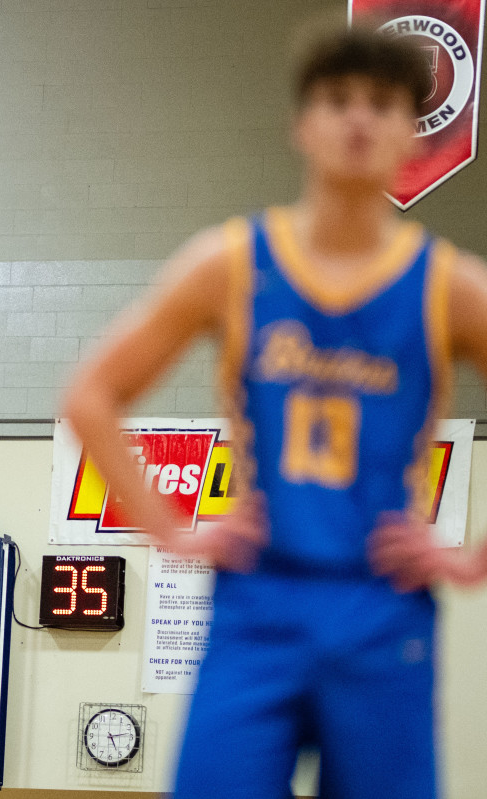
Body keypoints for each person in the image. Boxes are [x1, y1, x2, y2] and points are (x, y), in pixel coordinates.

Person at [61, 21, 487, 799]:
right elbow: (88, 395)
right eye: (338, 99)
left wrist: (471, 556)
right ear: (302, 124)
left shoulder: (451, 285)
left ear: (415, 133)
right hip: (258, 600)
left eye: (384, 102)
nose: (359, 118)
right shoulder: (228, 262)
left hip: (382, 606)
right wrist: (171, 530)